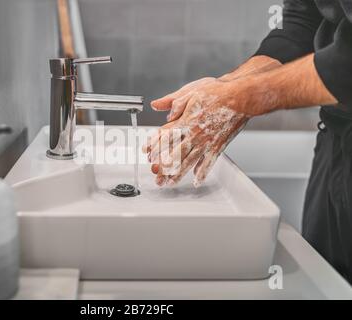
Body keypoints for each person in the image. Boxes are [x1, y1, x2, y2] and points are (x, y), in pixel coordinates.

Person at [144, 0, 352, 284]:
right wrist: (227, 87)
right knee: (326, 282)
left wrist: (239, 98)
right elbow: (300, 23)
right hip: (335, 139)